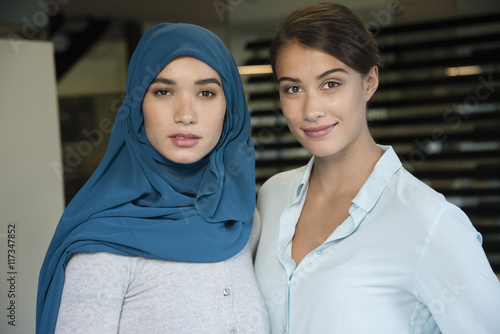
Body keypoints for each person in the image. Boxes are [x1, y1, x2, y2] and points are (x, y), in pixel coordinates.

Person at [254, 3, 500, 333]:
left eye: (331, 84)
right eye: (293, 89)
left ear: (369, 82)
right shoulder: (272, 196)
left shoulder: (431, 222)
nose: (310, 110)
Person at [37, 23, 270, 334]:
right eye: (163, 91)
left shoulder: (244, 221)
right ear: (137, 106)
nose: (186, 114)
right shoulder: (102, 248)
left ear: (231, 110)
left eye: (206, 92)